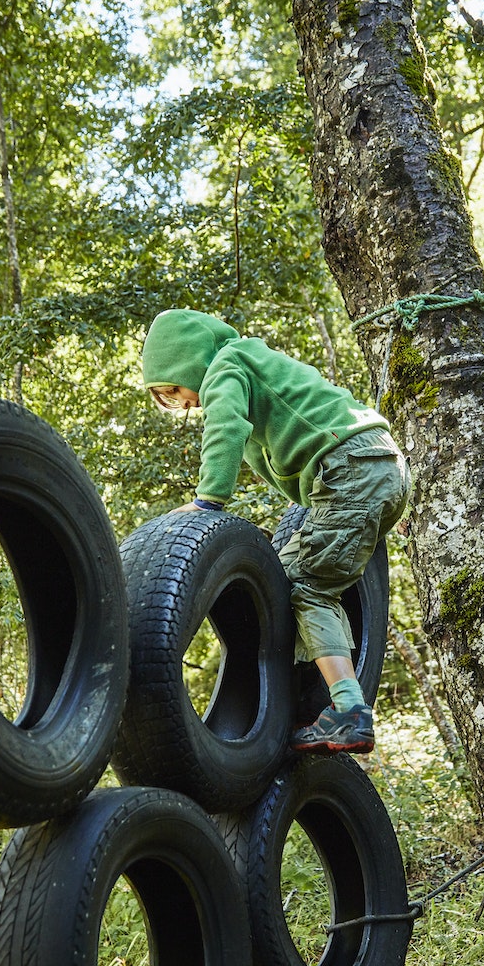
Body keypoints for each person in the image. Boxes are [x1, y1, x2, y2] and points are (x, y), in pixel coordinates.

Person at [141, 308, 409, 755]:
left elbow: (225, 429)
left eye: (174, 388)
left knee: (308, 588)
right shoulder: (253, 364)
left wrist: (207, 502)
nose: (182, 401)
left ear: (189, 359)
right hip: (377, 466)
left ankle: (349, 710)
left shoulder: (226, 366)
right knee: (284, 581)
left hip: (349, 467)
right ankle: (307, 699)